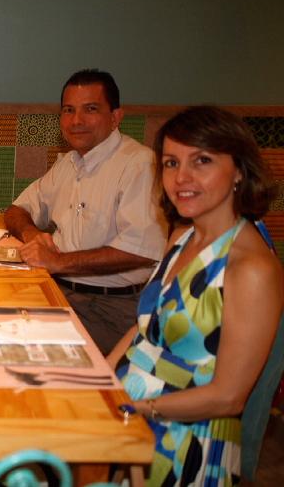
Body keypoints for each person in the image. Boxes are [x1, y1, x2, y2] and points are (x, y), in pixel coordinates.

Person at [107, 106, 283, 485]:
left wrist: (135, 408)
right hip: (132, 426)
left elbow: (228, 396)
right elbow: (146, 328)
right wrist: (101, 378)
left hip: (186, 443)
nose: (181, 177)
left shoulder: (252, 268)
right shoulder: (182, 236)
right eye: (171, 163)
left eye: (202, 160)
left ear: (239, 170)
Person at [3, 69, 167, 354]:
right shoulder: (69, 163)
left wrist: (58, 262)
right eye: (69, 110)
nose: (76, 121)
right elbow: (17, 209)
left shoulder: (139, 164)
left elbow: (140, 251)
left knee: (18, 348)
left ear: (115, 117)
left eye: (90, 109)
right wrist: (31, 234)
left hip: (111, 309)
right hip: (60, 291)